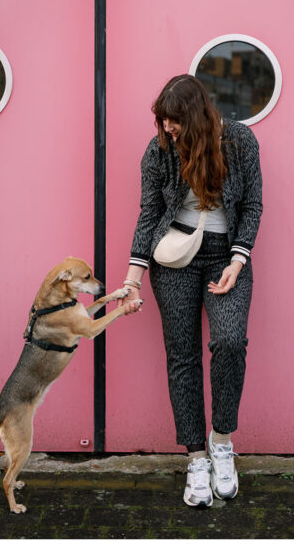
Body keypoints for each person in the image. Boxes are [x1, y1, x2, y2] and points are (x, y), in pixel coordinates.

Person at [117, 74, 262, 508]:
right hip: (174, 259)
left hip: (226, 257)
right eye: (161, 121)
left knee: (230, 342)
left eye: (173, 120)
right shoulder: (159, 150)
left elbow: (252, 204)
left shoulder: (238, 142)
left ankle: (221, 442)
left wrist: (238, 261)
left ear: (194, 114)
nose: (166, 128)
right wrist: (132, 279)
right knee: (182, 356)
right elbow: (150, 213)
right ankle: (196, 457)